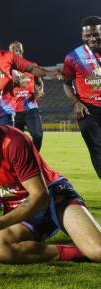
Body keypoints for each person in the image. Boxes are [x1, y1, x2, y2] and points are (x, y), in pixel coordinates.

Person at [0, 98, 101, 263]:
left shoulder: (12, 141)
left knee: (98, 251)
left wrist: (1, 222)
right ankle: (76, 252)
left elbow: (40, 196)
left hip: (54, 196)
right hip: (20, 212)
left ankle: (90, 248)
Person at [62, 16, 101, 179]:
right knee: (97, 148)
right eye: (88, 35)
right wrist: (76, 102)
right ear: (82, 35)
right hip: (88, 108)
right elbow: (66, 83)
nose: (92, 38)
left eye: (96, 34)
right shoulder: (73, 57)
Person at [9, 41, 44, 151]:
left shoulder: (32, 66)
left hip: (30, 108)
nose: (16, 50)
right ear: (10, 53)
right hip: (13, 111)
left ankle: (34, 158)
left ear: (22, 51)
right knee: (14, 141)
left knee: (38, 135)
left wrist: (40, 90)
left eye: (18, 48)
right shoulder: (6, 69)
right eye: (13, 49)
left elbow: (39, 82)